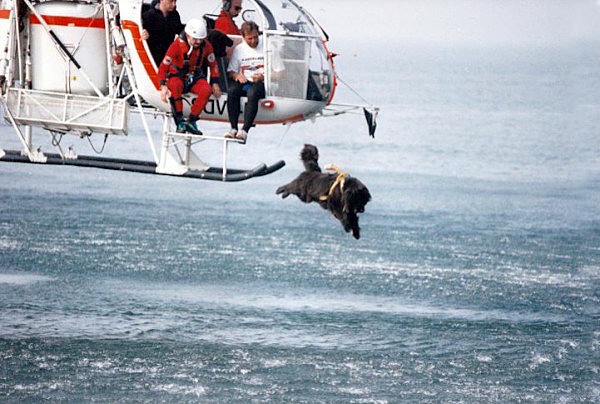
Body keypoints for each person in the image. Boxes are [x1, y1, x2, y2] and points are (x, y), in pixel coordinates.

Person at [157, 19, 222, 134]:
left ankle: (192, 120)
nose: (198, 42)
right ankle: (179, 120)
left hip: (194, 77)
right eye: (195, 39)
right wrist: (163, 86)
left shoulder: (207, 46)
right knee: (175, 85)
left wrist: (215, 82)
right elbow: (163, 67)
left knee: (206, 90)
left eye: (200, 39)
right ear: (187, 35)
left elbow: (213, 64)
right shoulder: (176, 46)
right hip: (177, 77)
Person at [225, 21, 283, 143]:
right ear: (243, 37)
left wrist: (264, 77)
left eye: (256, 37)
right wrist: (236, 75)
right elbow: (230, 71)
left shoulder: (269, 47)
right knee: (232, 90)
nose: (253, 41)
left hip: (263, 83)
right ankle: (233, 128)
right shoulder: (239, 49)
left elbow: (280, 73)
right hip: (245, 81)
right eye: (249, 39)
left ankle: (245, 130)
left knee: (253, 92)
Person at [141, 0, 184, 66]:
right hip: (152, 57)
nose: (174, 4)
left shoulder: (175, 15)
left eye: (175, 1)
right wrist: (143, 34)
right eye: (171, 1)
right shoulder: (149, 16)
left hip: (167, 57)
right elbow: (141, 33)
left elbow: (180, 30)